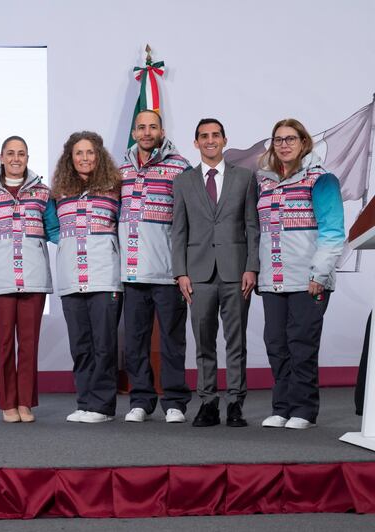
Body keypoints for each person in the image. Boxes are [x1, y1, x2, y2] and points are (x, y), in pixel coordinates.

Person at [256, 118, 344, 429]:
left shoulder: (321, 179)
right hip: (273, 281)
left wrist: (319, 275)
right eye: (278, 139)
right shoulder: (264, 183)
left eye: (290, 139)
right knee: (276, 345)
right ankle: (281, 407)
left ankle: (303, 410)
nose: (284, 145)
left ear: (304, 142)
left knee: (301, 345)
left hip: (308, 280)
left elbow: (333, 232)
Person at [172, 118, 260, 428]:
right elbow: (178, 231)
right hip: (197, 275)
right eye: (204, 136)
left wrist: (252, 266)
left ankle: (235, 403)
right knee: (204, 342)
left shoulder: (245, 178)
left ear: (224, 139)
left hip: (236, 272)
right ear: (195, 142)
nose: (210, 140)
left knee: (236, 342)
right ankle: (208, 402)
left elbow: (252, 226)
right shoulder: (183, 182)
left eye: (215, 135)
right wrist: (180, 273)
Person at [0, 136, 59, 423]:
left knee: (29, 342)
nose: (15, 158)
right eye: (10, 153)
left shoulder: (42, 193)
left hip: (34, 277)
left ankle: (25, 402)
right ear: (0, 157)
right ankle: (7, 402)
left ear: (27, 158)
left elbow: (53, 229)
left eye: (21, 153)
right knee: (3, 344)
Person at [118, 110, 192, 424]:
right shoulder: (120, 168)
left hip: (168, 272)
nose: (147, 132)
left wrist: (184, 268)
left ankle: (174, 402)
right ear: (134, 133)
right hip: (132, 272)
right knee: (135, 341)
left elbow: (191, 219)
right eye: (141, 127)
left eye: (152, 127)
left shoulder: (180, 167)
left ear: (162, 131)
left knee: (172, 340)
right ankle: (141, 400)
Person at [51, 131, 124, 423]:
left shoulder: (115, 189)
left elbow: (125, 225)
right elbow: (52, 228)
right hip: (72, 278)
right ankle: (85, 402)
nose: (84, 158)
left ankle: (102, 407)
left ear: (99, 156)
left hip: (105, 276)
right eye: (79, 153)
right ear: (70, 158)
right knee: (80, 345)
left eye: (90, 152)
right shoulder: (60, 193)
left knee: (104, 345)